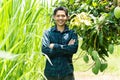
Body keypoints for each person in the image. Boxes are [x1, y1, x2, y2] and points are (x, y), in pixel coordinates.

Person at [41, 6, 78, 80]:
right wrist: (66, 47)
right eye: (58, 16)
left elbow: (73, 49)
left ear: (67, 17)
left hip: (67, 74)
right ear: (54, 17)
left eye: (63, 16)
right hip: (50, 74)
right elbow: (44, 50)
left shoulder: (72, 33)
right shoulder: (47, 33)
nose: (60, 18)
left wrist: (54, 46)